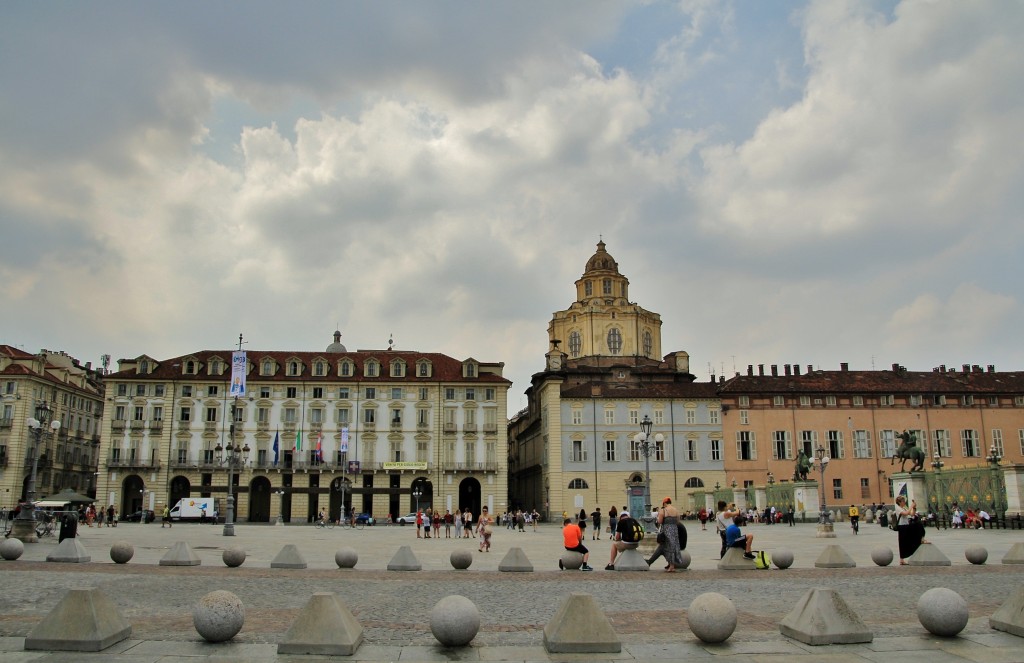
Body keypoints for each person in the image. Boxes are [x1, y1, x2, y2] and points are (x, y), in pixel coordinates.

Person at [647, 497, 685, 572]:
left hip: (666, 531)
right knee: (673, 547)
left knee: (667, 547)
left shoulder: (663, 510)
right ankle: (671, 565)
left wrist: (659, 520)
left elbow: (660, 521)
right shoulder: (676, 510)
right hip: (674, 530)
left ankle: (671, 566)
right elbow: (678, 521)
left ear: (664, 503)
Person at [894, 496, 927, 564]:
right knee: (902, 542)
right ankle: (901, 560)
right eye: (903, 501)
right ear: (899, 502)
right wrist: (911, 506)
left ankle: (921, 538)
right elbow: (906, 513)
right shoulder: (898, 508)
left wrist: (914, 507)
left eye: (904, 501)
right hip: (902, 526)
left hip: (906, 525)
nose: (904, 502)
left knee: (918, 524)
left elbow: (912, 514)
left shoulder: (903, 508)